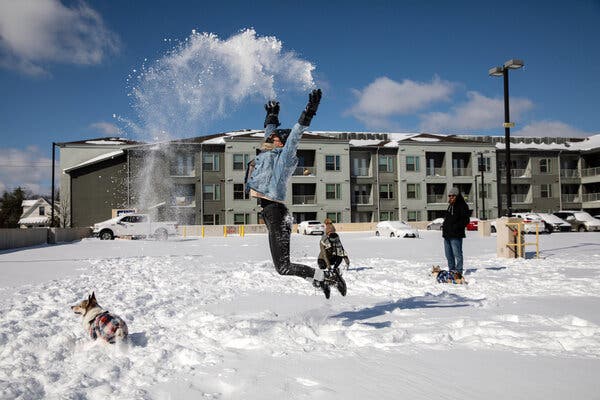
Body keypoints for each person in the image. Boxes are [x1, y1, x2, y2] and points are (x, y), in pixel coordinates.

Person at [246, 89, 345, 299]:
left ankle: (328, 277)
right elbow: (269, 131)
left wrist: (310, 110)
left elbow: (296, 134)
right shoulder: (268, 152)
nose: (269, 137)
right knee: (282, 265)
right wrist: (272, 114)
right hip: (272, 213)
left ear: (280, 142)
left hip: (276, 213)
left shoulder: (284, 157)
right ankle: (319, 280)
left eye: (273, 137)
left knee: (283, 266)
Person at [442, 187, 471, 277]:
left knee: (457, 254)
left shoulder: (462, 206)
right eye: (449, 196)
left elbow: (466, 220)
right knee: (448, 254)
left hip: (456, 235)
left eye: (453, 196)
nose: (450, 197)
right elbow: (448, 219)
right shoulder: (450, 206)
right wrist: (444, 226)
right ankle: (452, 270)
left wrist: (456, 227)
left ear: (457, 196)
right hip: (447, 235)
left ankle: (458, 271)